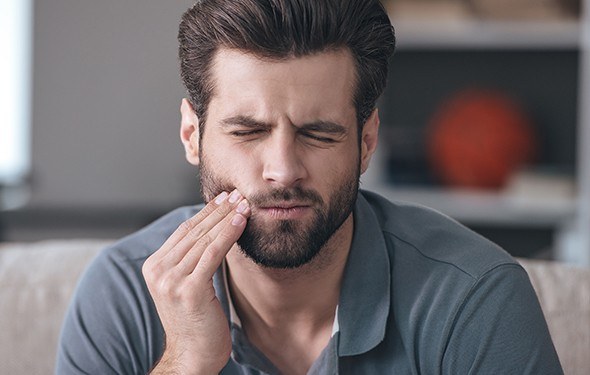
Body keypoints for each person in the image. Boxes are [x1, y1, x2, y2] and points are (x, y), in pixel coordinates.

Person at [56, 0, 563, 374]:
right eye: (247, 131)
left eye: (318, 134)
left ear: (366, 143)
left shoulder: (472, 296)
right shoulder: (123, 292)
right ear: (193, 135)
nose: (282, 170)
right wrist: (184, 361)